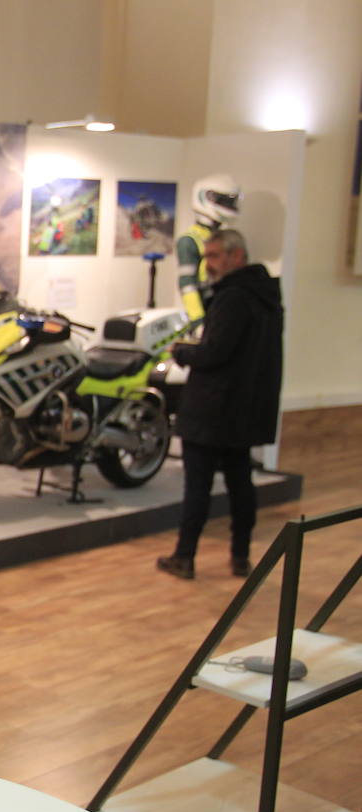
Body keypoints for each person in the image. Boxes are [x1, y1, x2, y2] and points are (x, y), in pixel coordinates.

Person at [157, 228, 283, 580]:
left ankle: (184, 556)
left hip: (214, 409)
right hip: (242, 409)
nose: (208, 264)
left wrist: (182, 351)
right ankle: (240, 556)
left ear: (236, 256)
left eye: (213, 256)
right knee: (240, 483)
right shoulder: (265, 295)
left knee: (198, 487)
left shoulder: (233, 298)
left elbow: (216, 352)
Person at [176, 174, 240, 325]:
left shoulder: (224, 237)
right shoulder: (189, 240)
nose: (228, 204)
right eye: (224, 200)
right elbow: (187, 284)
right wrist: (198, 319)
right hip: (207, 310)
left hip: (223, 307)